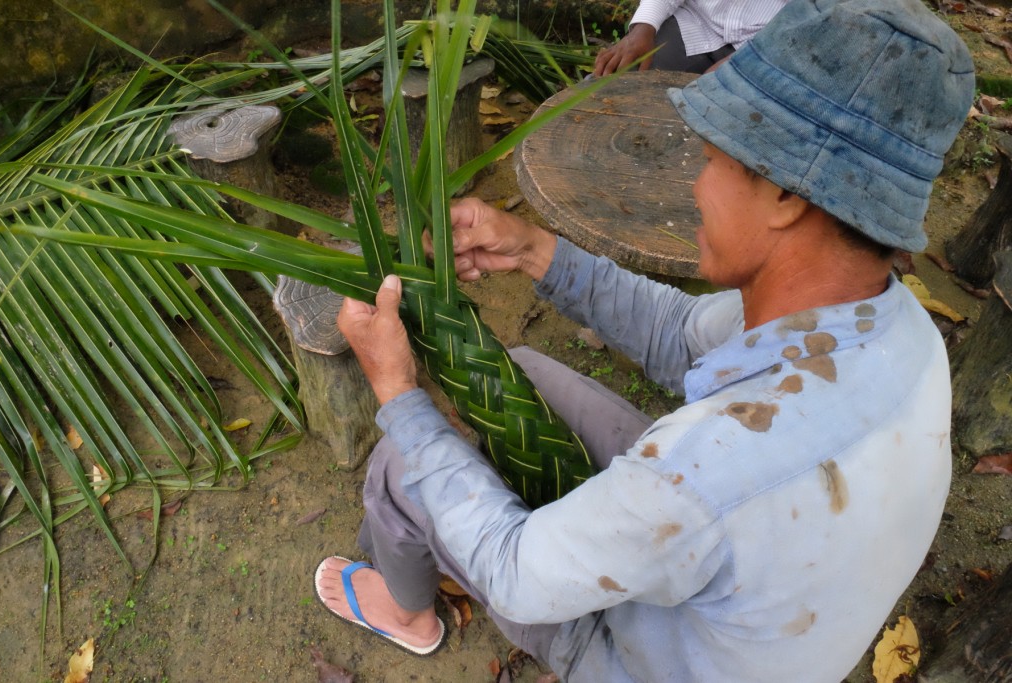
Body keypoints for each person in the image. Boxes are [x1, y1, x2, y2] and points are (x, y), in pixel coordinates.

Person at [314, 0, 975, 680]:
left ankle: (407, 612)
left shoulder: (701, 476)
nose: (695, 182)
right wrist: (535, 251)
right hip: (773, 615)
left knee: (402, 458)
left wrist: (396, 388)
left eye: (712, 159)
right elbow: (682, 331)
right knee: (524, 369)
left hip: (644, 657)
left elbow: (514, 571)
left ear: (786, 196)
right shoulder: (900, 331)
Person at [593, 0, 790, 76]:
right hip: (693, 21)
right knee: (610, 84)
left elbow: (812, 20)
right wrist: (643, 28)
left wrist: (748, 59)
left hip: (772, 47)